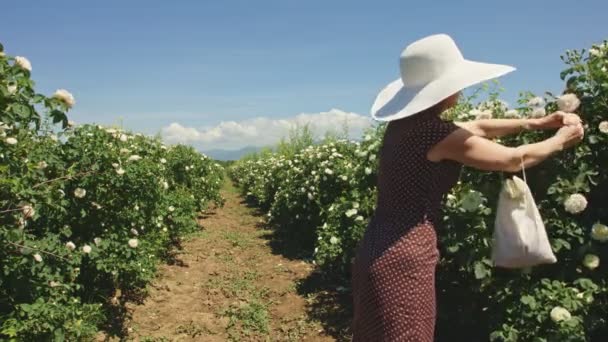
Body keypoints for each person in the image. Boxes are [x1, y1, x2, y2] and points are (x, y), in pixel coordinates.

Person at [351, 33, 584, 341]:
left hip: (377, 245)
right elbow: (514, 159)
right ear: (444, 90)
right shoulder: (435, 133)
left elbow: (480, 127)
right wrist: (560, 141)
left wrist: (537, 123)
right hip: (405, 255)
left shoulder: (407, 126)